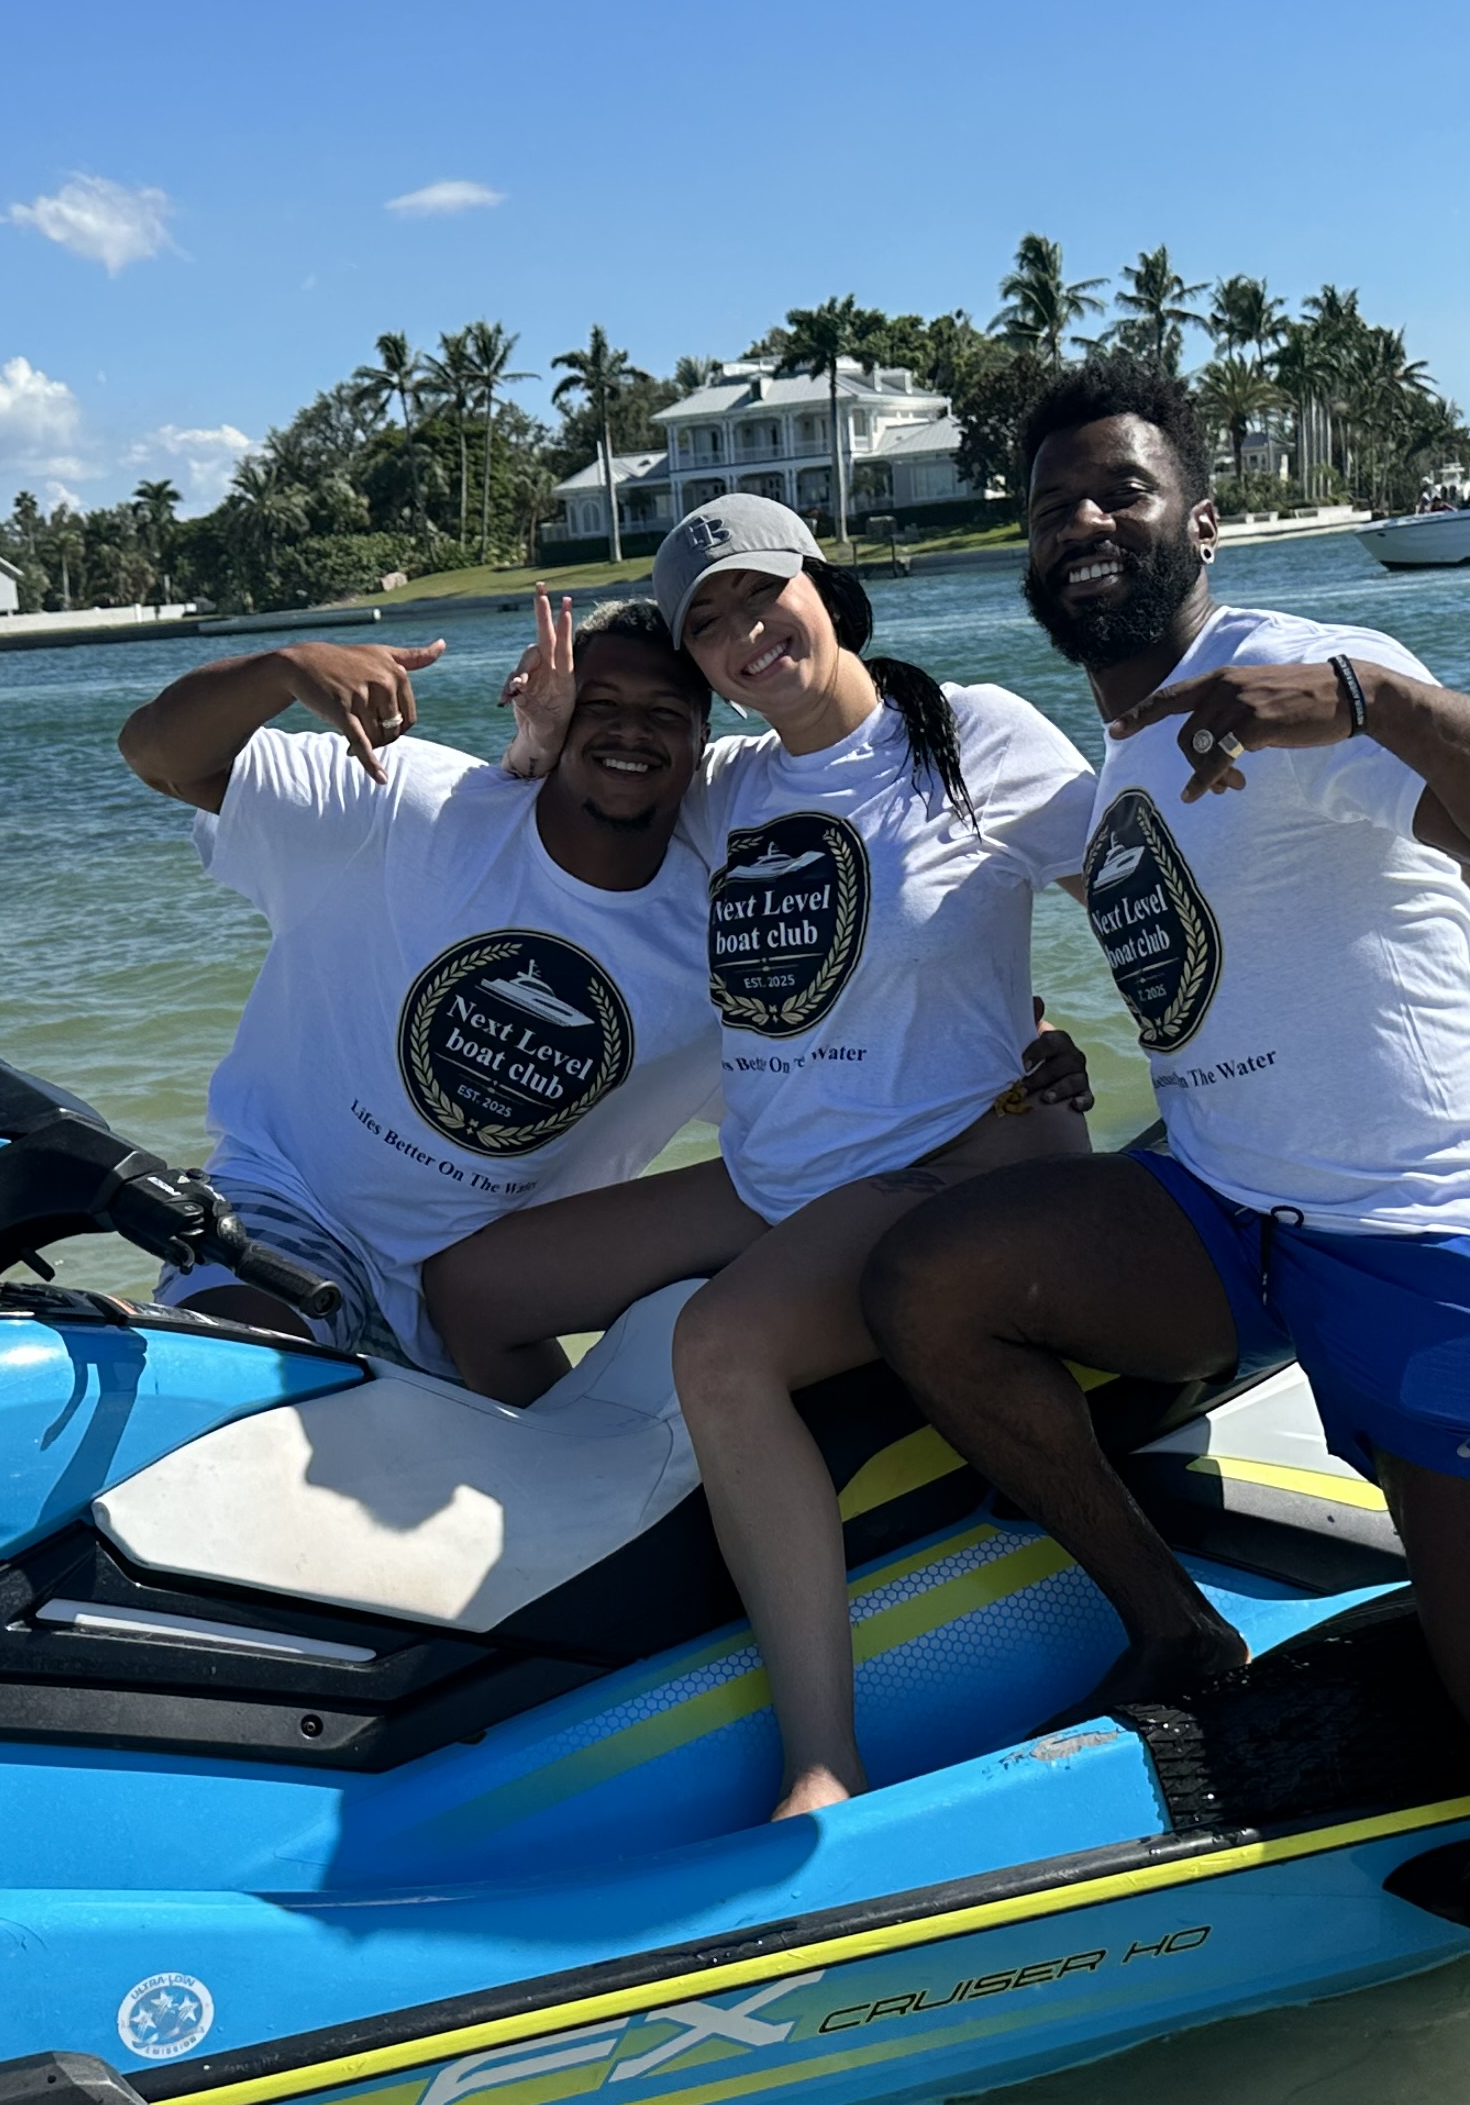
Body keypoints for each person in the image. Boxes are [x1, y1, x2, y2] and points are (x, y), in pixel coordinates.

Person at [858, 355, 1470, 2047]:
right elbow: (1228, 967)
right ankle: (1168, 1624)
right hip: (1227, 1209)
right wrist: (1044, 1048)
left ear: (1201, 523)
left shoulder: (1300, 673)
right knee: (927, 1285)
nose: (1085, 524)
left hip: (1416, 1234)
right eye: (1052, 507)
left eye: (1120, 491)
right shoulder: (1117, 771)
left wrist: (1373, 702)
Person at [423, 495, 1096, 1817]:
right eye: (707, 624)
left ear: (818, 583)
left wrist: (1100, 1045)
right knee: (472, 1290)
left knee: (719, 1349)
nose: (741, 635)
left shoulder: (971, 736)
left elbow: (1139, 895)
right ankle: (616, 1561)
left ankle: (823, 1762)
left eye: (755, 595)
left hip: (953, 1162)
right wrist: (534, 739)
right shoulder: (725, 789)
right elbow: (569, 821)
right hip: (780, 1173)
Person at [114, 599, 724, 1375]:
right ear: (553, 713)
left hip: (474, 1299)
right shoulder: (407, 800)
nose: (629, 730)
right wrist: (284, 668)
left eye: (665, 711)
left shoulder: (717, 949)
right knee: (233, 1384)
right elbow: (158, 755)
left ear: (705, 742)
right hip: (287, 1206)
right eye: (599, 704)